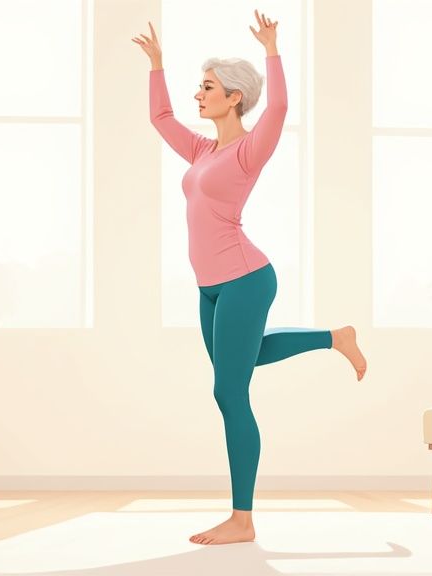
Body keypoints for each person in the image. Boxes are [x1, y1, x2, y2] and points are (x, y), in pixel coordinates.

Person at [132, 9, 368, 546]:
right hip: (210, 289)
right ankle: (335, 337)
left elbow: (280, 106)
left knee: (229, 391)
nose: (199, 94)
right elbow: (161, 117)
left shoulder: (248, 150)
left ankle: (243, 517)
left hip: (245, 279)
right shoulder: (201, 149)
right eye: (200, 85)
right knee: (248, 359)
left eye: (208, 87)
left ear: (234, 96)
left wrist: (272, 49)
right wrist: (157, 65)